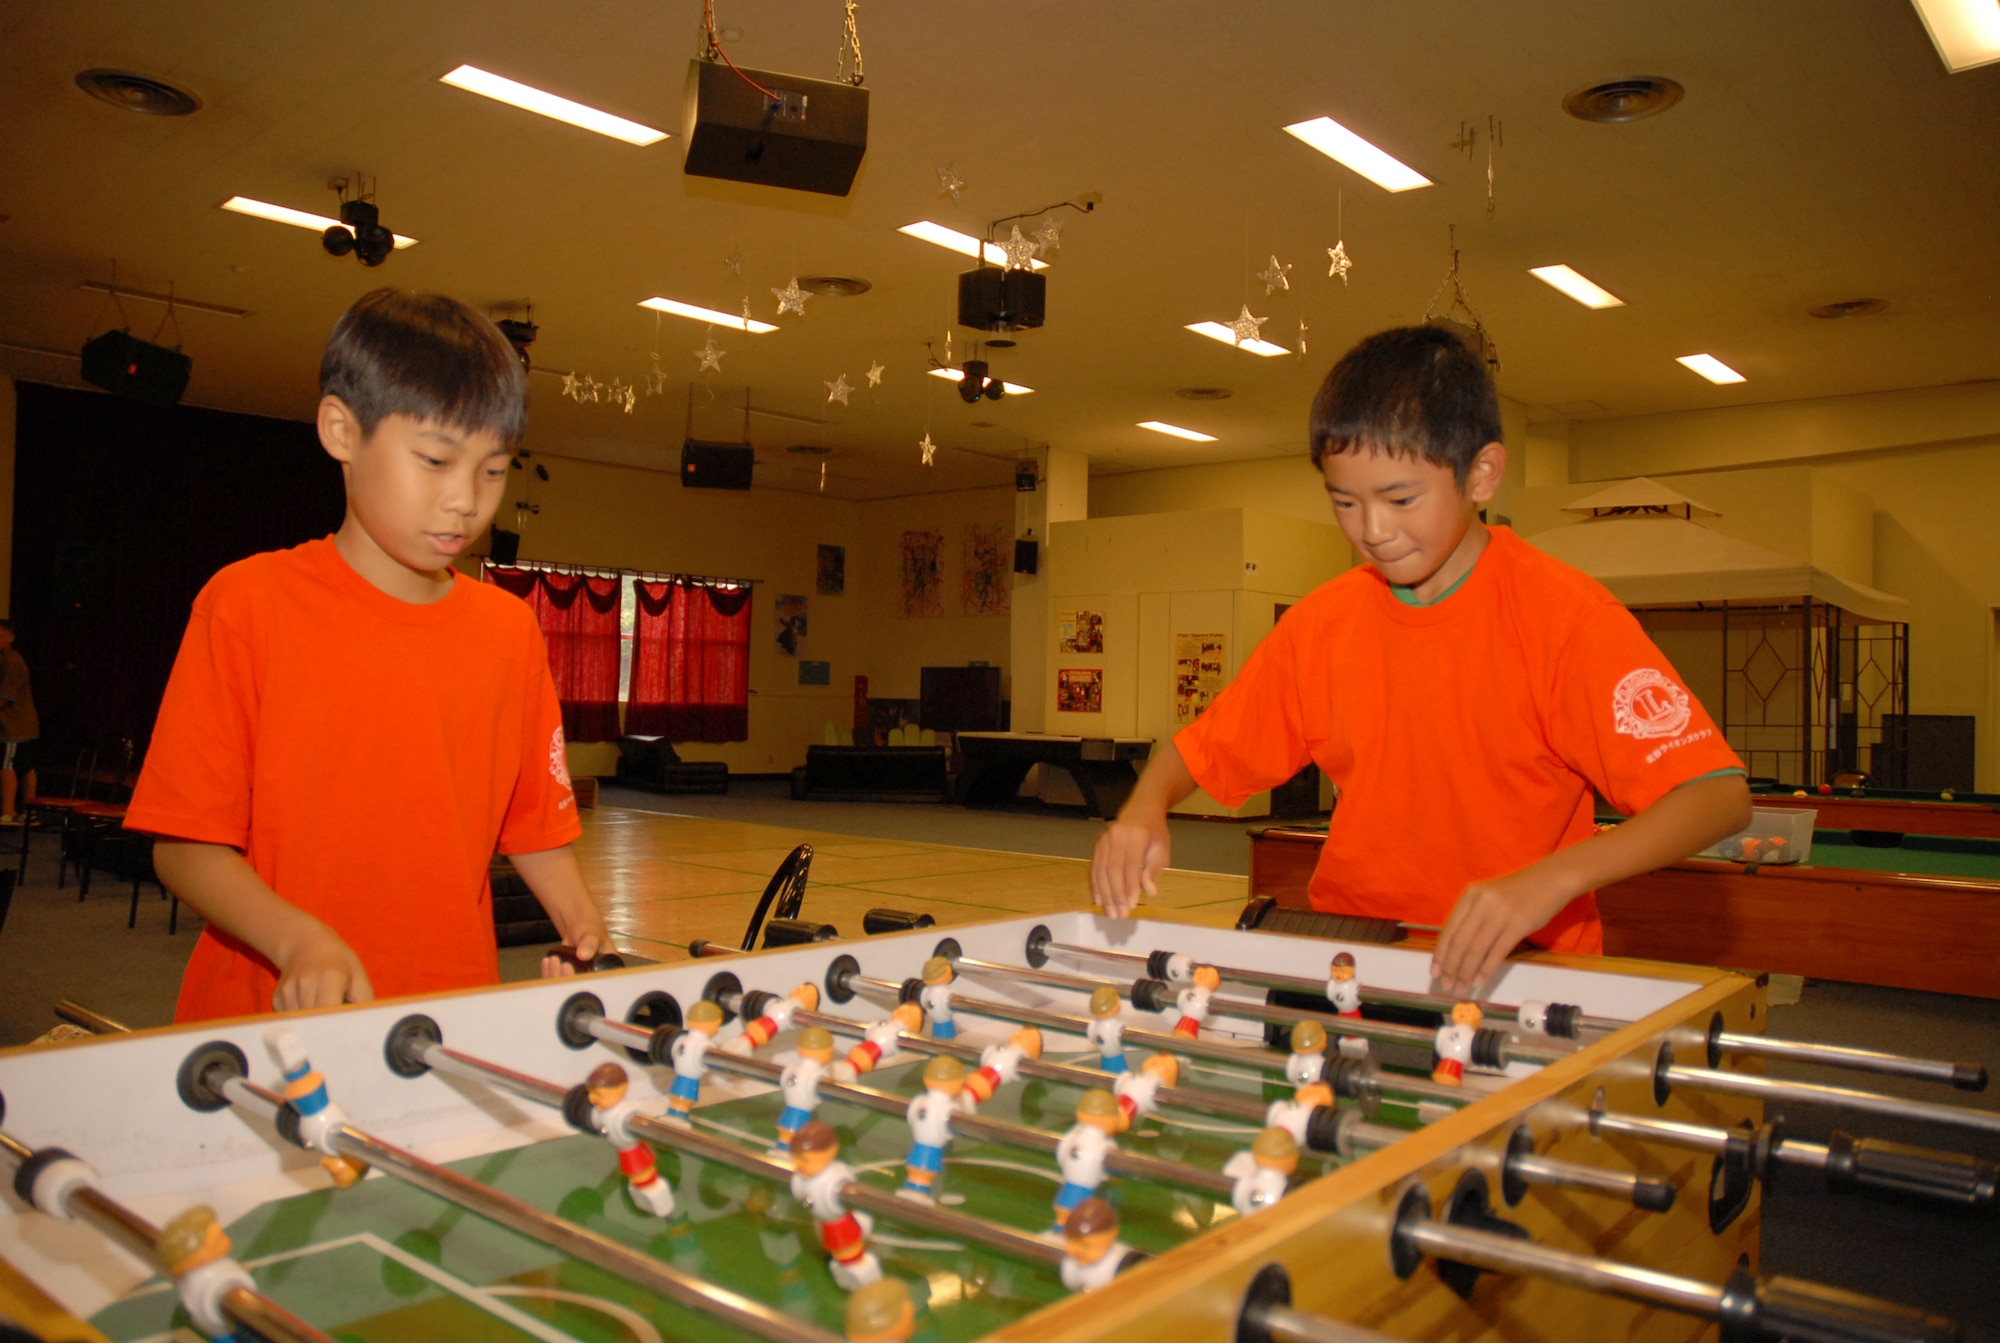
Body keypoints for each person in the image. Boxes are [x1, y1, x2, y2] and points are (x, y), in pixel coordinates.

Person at [1092, 326, 1749, 994]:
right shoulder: (1321, 625)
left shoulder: (1565, 619)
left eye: (1401, 499)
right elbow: (1203, 750)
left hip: (1525, 968)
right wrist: (1145, 805)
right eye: (1345, 502)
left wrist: (1553, 878)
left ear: (1481, 473)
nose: (1372, 530)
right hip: (1354, 958)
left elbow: (1716, 795)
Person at [125, 289, 610, 1021]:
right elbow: (184, 845)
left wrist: (585, 932)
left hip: (446, 1017)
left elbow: (536, 831)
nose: (465, 502)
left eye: (492, 470)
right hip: (265, 1025)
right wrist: (297, 940)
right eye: (436, 460)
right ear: (341, 430)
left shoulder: (509, 632)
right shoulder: (248, 604)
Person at [0, 620, 38, 824]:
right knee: (26, 767)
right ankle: (30, 811)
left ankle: (8, 812)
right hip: (24, 724)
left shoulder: (11, 662)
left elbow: (5, 697)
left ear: (10, 637)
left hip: (14, 726)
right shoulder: (8, 659)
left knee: (8, 765)